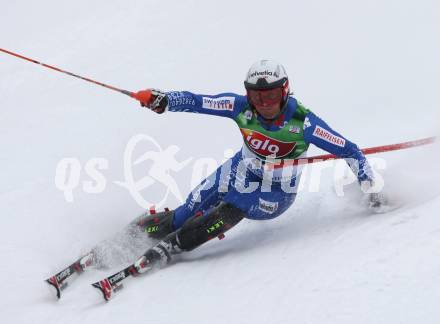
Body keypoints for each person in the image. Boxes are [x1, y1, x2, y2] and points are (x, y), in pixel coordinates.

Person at [123, 59, 385, 275]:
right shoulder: (241, 107)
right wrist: (165, 100)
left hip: (276, 193)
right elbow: (198, 101)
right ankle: (154, 227)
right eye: (257, 96)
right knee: (187, 210)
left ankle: (176, 244)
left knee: (235, 203)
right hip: (240, 170)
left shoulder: (304, 123)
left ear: (284, 92)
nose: (264, 104)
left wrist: (370, 186)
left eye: (271, 95)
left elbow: (350, 150)